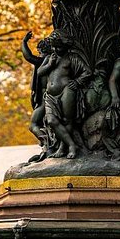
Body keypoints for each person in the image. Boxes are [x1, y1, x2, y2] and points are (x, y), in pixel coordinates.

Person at [21, 30, 91, 159]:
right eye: (53, 46)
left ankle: (65, 147)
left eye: (58, 46)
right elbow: (41, 72)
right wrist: (50, 64)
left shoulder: (72, 58)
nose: (55, 49)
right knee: (51, 120)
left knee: (66, 120)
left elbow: (87, 71)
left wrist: (77, 82)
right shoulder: (50, 58)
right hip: (50, 95)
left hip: (66, 91)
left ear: (65, 46)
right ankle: (70, 144)